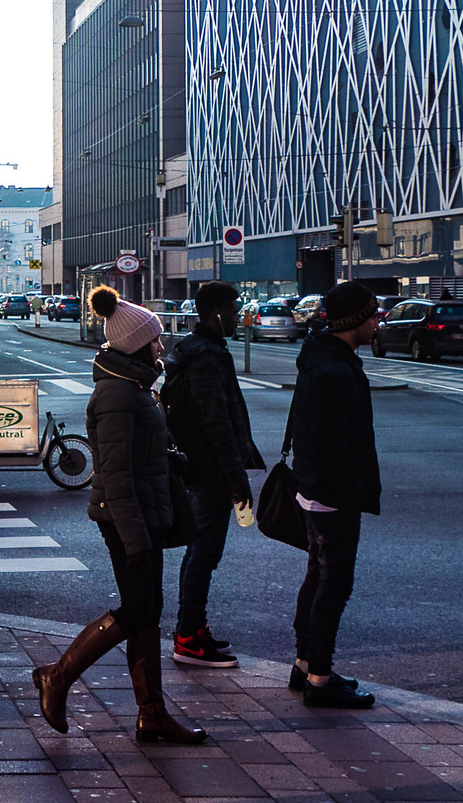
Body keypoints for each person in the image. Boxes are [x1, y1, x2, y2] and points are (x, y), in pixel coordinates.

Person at [33, 285, 206, 745]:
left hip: (146, 511)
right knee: (138, 609)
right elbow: (115, 473)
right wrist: (135, 538)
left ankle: (151, 715)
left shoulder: (135, 385)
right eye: (154, 339)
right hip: (126, 517)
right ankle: (59, 675)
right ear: (135, 345)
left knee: (148, 612)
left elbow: (139, 458)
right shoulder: (116, 394)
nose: (161, 345)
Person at [162, 280, 265, 668]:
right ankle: (188, 637)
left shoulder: (197, 351)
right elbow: (217, 423)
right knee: (204, 553)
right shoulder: (206, 358)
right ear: (216, 314)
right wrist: (237, 479)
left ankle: (192, 628)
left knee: (201, 552)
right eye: (234, 310)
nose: (239, 317)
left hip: (200, 466)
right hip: (210, 471)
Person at [289, 281, 381, 709]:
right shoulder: (335, 371)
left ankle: (306, 662)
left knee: (317, 575)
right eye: (373, 314)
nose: (378, 320)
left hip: (313, 486)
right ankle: (320, 679)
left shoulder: (323, 357)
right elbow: (332, 439)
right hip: (332, 492)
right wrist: (357, 480)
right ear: (354, 321)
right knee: (333, 583)